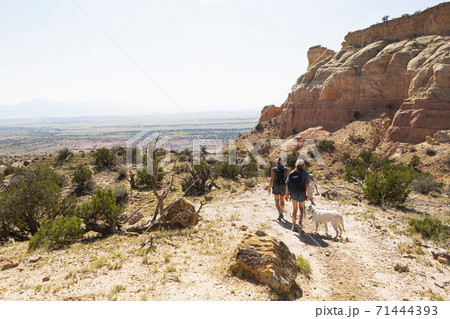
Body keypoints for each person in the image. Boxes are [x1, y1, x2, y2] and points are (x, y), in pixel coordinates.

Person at [285, 159, 311, 231]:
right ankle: (300, 222)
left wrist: (287, 194)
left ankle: (293, 226)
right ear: (303, 165)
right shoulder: (305, 173)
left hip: (293, 193)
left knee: (294, 209)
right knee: (301, 209)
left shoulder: (292, 173)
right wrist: (309, 195)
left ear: (296, 165)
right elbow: (307, 186)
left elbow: (287, 184)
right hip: (302, 193)